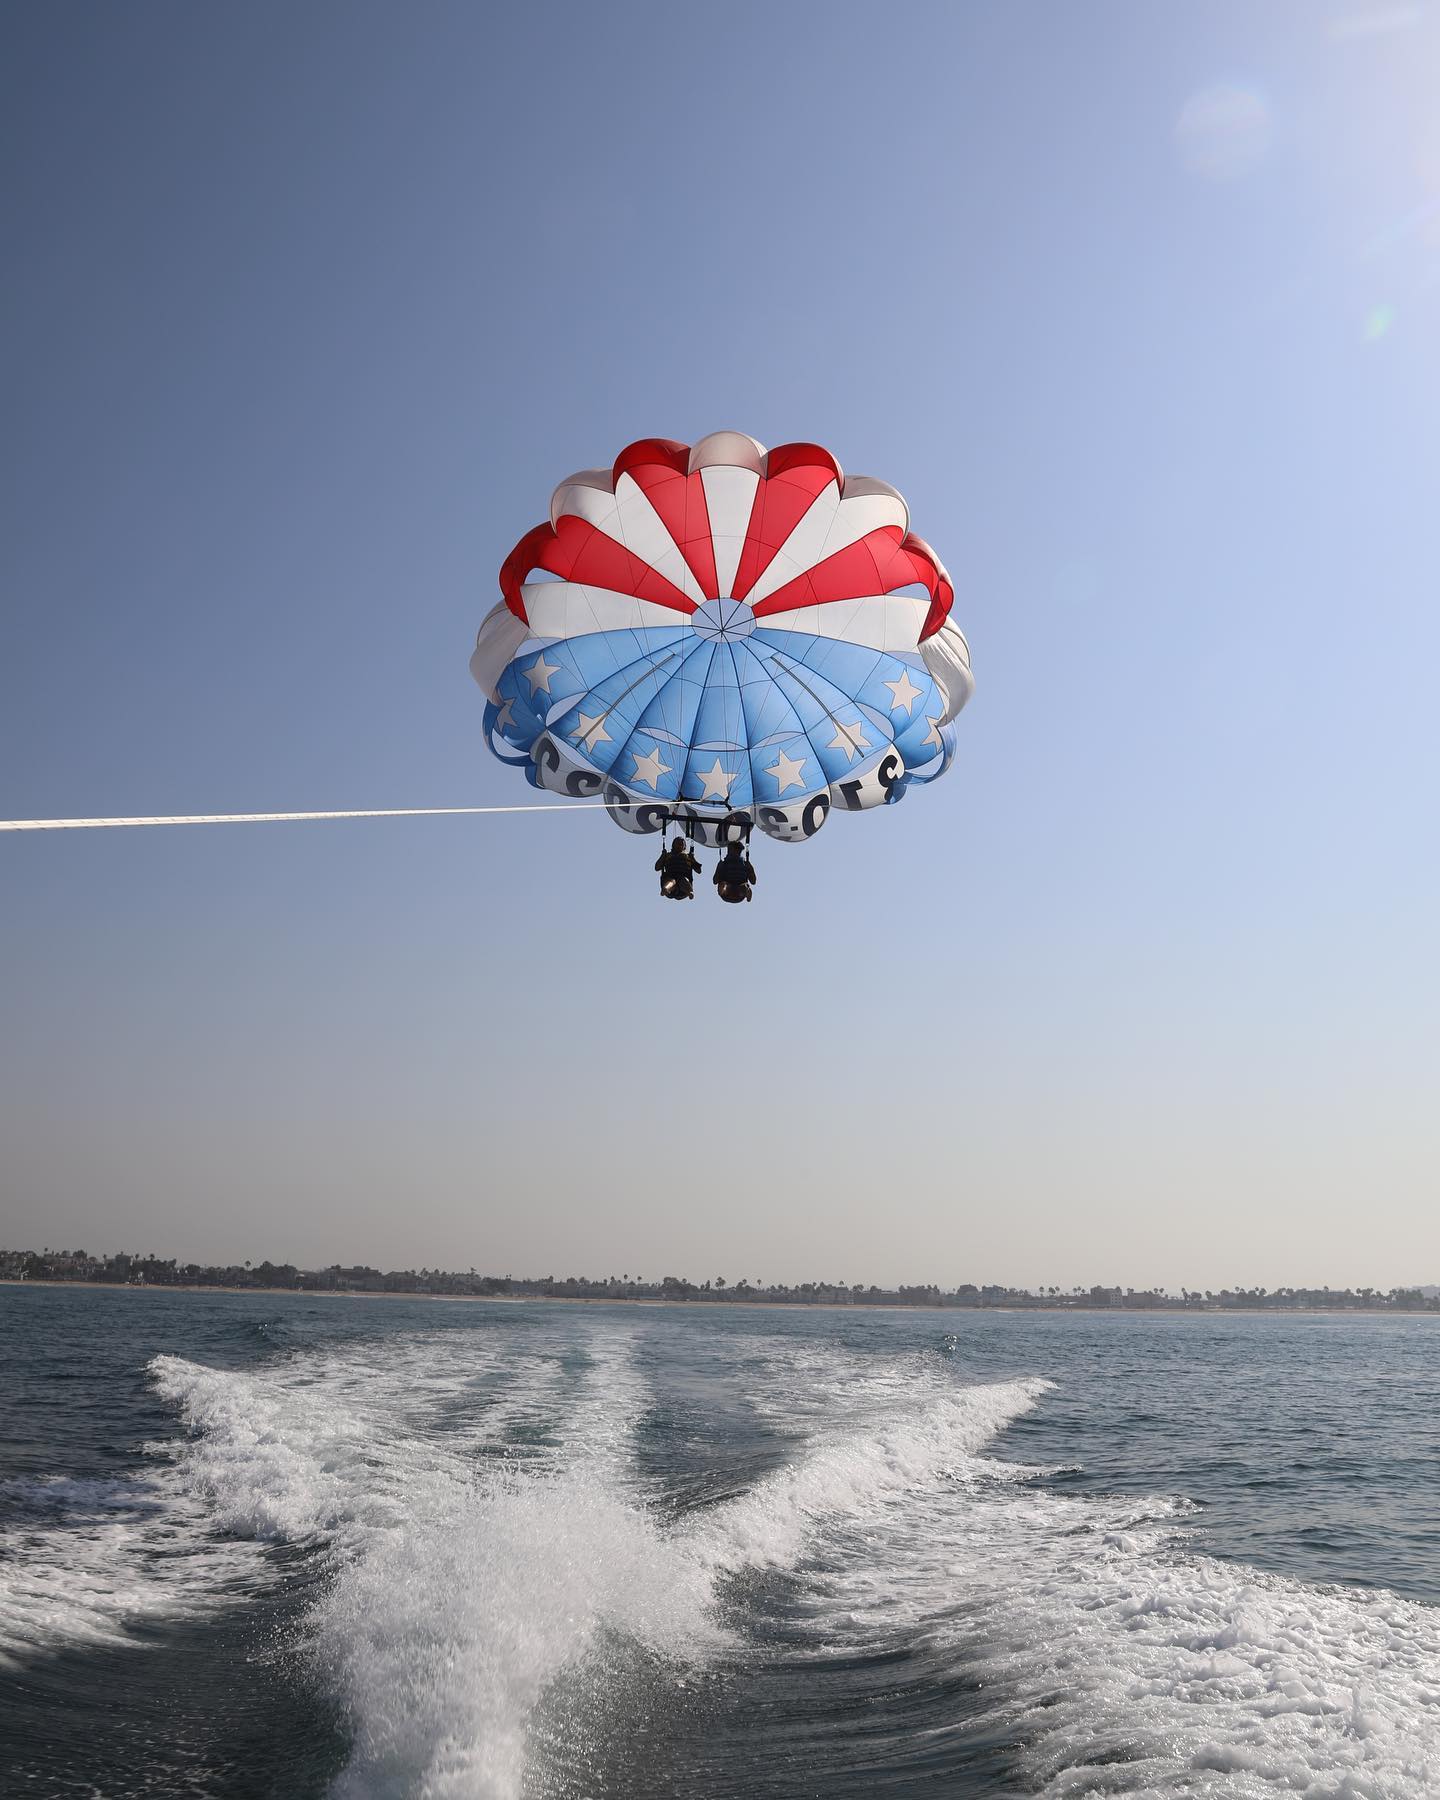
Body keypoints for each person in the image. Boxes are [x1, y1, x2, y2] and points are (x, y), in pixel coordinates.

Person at [655, 835, 700, 900]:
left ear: (684, 846)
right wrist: (662, 856)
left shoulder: (688, 857)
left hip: (683, 888)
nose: (680, 845)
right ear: (673, 845)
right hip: (670, 880)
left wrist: (693, 859)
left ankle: (689, 892)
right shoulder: (668, 855)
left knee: (682, 880)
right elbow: (657, 868)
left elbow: (699, 871)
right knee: (672, 881)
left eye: (681, 844)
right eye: (678, 843)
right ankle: (666, 889)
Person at [712, 840, 756, 904]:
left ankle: (747, 890)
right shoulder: (724, 863)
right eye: (738, 850)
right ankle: (724, 889)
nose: (739, 852)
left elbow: (753, 881)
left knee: (744, 886)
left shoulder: (744, 863)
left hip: (740, 892)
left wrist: (750, 868)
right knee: (723, 884)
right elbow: (715, 881)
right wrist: (718, 868)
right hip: (727, 891)